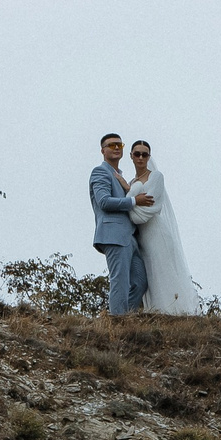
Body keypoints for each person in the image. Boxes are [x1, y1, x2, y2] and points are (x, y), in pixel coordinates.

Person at [125, 141, 201, 315]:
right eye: (137, 154)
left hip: (156, 234)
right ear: (131, 156)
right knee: (149, 277)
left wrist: (130, 204)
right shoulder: (131, 183)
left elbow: (144, 213)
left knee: (163, 273)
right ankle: (158, 313)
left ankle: (175, 312)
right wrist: (133, 198)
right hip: (142, 238)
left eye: (145, 154)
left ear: (149, 157)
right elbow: (133, 209)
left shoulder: (156, 177)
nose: (141, 158)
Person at [88, 133, 152, 317]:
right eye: (111, 145)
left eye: (119, 144)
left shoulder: (120, 175)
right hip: (113, 233)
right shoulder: (100, 172)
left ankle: (124, 318)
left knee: (140, 282)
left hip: (129, 236)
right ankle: (118, 322)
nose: (116, 148)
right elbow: (104, 202)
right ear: (102, 150)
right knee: (120, 280)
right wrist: (134, 201)